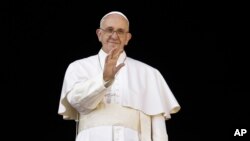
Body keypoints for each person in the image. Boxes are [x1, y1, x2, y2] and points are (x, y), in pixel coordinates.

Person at [58, 11, 181, 141]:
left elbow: (159, 129)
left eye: (120, 31)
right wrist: (104, 80)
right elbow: (79, 104)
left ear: (127, 38)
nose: (114, 36)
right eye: (109, 30)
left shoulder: (149, 73)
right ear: (100, 34)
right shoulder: (78, 67)